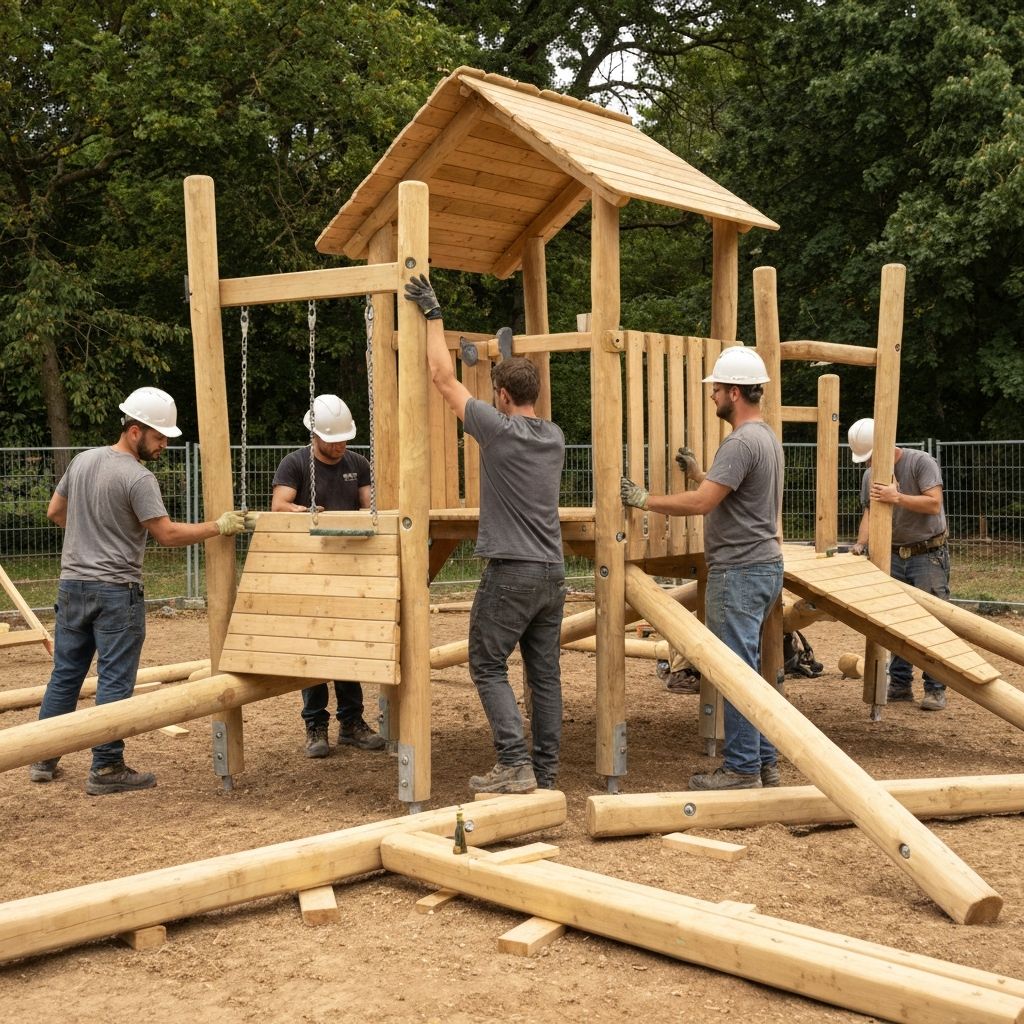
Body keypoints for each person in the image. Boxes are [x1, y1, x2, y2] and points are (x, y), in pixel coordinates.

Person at [31, 387, 250, 795]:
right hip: (116, 592)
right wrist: (217, 527)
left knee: (65, 675)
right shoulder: (138, 477)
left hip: (72, 585)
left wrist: (91, 536)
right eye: (159, 437)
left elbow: (54, 512)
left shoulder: (82, 461)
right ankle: (107, 768)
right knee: (115, 681)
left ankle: (42, 756)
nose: (165, 445)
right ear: (134, 431)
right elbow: (166, 534)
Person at [404, 274, 567, 794]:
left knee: (487, 662)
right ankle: (544, 770)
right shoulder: (554, 436)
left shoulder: (496, 429)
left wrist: (433, 315)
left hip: (513, 570)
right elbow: (509, 389)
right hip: (553, 572)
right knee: (544, 674)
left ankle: (514, 763)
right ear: (534, 393)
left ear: (500, 395)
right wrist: (504, 360)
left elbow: (439, 375)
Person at [621, 346, 784, 790]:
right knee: (752, 670)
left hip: (739, 571)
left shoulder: (739, 442)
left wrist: (644, 499)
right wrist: (699, 472)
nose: (712, 396)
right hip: (765, 565)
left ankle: (742, 770)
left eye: (716, 389)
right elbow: (727, 490)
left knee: (734, 671)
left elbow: (703, 503)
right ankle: (763, 762)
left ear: (735, 391)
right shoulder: (766, 437)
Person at [271, 394, 386, 756]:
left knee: (349, 646)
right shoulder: (295, 464)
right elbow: (279, 506)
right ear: (315, 435)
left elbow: (369, 508)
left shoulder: (358, 463)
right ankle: (315, 725)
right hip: (310, 570)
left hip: (349, 568)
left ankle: (351, 722)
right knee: (315, 648)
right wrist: (304, 511)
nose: (340, 446)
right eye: (333, 440)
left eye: (344, 439)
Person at [848, 417, 950, 711]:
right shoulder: (871, 476)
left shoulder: (921, 462)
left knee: (932, 622)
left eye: (869, 458)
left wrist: (897, 497)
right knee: (896, 620)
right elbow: (870, 513)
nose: (867, 466)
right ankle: (900, 684)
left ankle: (935, 688)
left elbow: (934, 504)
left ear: (883, 447)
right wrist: (860, 545)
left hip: (927, 553)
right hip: (892, 553)